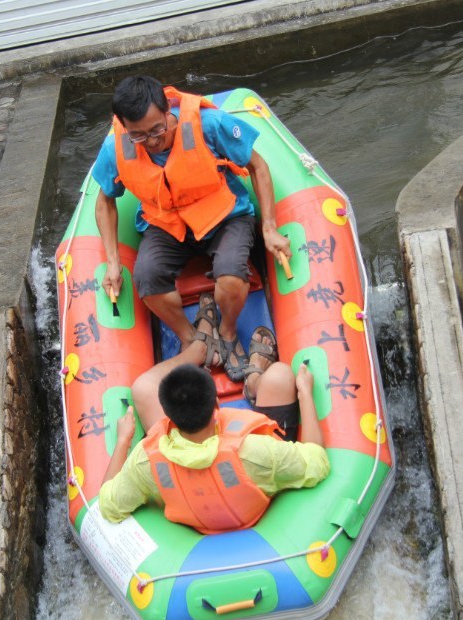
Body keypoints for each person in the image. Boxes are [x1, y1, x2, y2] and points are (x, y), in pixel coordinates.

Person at [93, 75, 291, 381]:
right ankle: (191, 338)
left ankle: (226, 331)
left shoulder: (208, 124)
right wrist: (113, 263)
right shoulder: (115, 148)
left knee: (231, 272)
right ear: (123, 126)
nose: (152, 141)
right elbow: (105, 201)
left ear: (167, 110)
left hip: (223, 215)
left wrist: (269, 227)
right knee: (146, 277)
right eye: (139, 136)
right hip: (166, 223)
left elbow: (257, 166)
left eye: (157, 129)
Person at [97, 307, 328, 533]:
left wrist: (123, 441)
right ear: (217, 404)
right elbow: (317, 462)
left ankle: (196, 352)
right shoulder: (258, 452)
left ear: (169, 419)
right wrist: (305, 393)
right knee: (279, 375)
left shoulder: (144, 461)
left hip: (197, 521)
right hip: (254, 505)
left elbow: (107, 506)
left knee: (142, 388)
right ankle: (253, 377)